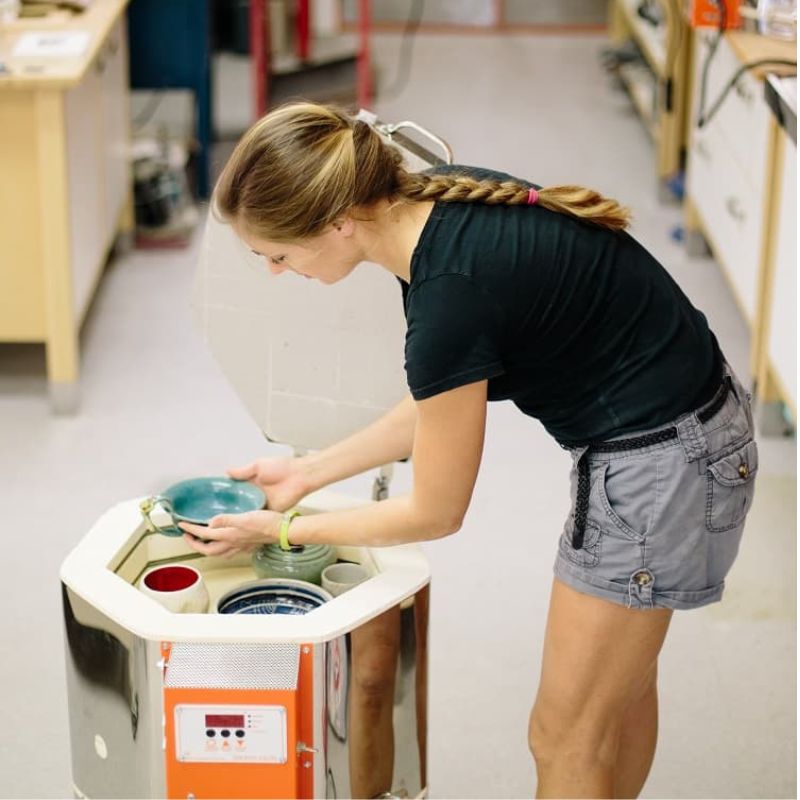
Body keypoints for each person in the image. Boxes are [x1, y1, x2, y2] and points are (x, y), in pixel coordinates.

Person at [179, 102, 758, 798]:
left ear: (337, 223)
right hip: (695, 425)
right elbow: (439, 402)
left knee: (563, 737)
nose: (277, 271)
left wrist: (280, 530)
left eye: (277, 255)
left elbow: (435, 512)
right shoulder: (430, 208)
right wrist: (304, 475)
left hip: (663, 464)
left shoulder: (446, 298)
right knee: (615, 700)